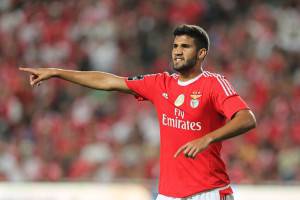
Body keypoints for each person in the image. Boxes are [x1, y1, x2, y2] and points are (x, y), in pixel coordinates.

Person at [20, 24, 256, 200]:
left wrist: (207, 138)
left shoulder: (214, 84)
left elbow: (247, 118)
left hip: (210, 192)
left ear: (201, 53)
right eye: (175, 46)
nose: (177, 51)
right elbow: (108, 81)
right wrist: (57, 72)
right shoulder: (161, 83)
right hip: (169, 195)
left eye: (185, 46)